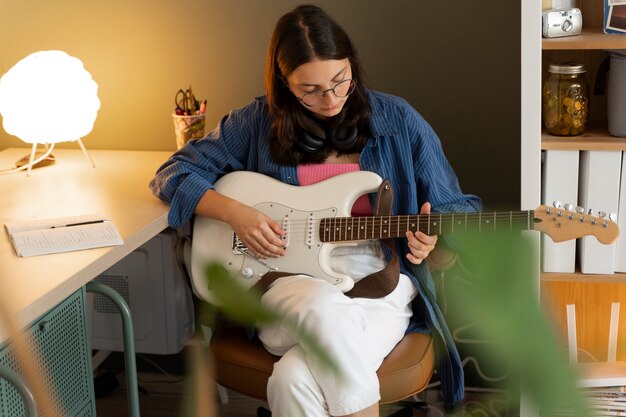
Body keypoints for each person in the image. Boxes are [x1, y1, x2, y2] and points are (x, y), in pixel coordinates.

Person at [150, 4, 482, 417]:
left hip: (380, 289)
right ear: (284, 83)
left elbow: (456, 211)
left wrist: (432, 241)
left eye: (340, 80)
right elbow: (172, 173)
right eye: (310, 89)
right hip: (285, 287)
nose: (330, 98)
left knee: (293, 380)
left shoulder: (399, 120)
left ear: (352, 66)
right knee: (321, 303)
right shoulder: (256, 122)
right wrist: (236, 213)